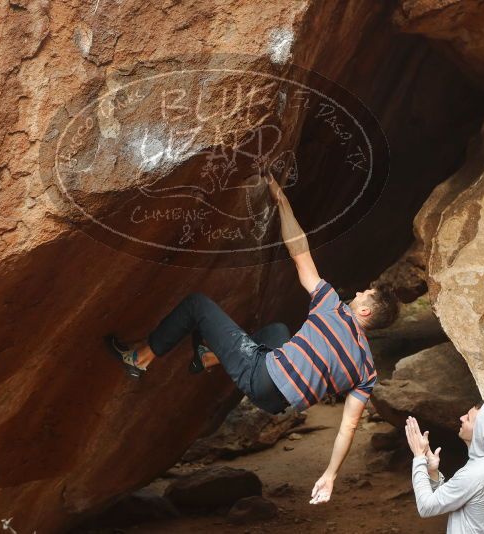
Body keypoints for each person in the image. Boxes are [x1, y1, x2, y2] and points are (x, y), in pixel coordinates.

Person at [106, 171, 399, 504]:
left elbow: (298, 250)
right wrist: (329, 476)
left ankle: (139, 358)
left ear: (364, 312)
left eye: (366, 294)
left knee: (197, 305)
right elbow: (348, 427)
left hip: (262, 377)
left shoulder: (333, 307)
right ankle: (207, 357)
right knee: (277, 332)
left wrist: (282, 201)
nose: (360, 292)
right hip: (277, 403)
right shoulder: (367, 370)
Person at [405, 400, 484, 534]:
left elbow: (426, 507)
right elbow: (452, 498)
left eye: (468, 419)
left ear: (481, 431)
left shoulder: (474, 474)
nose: (461, 418)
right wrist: (433, 472)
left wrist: (419, 457)